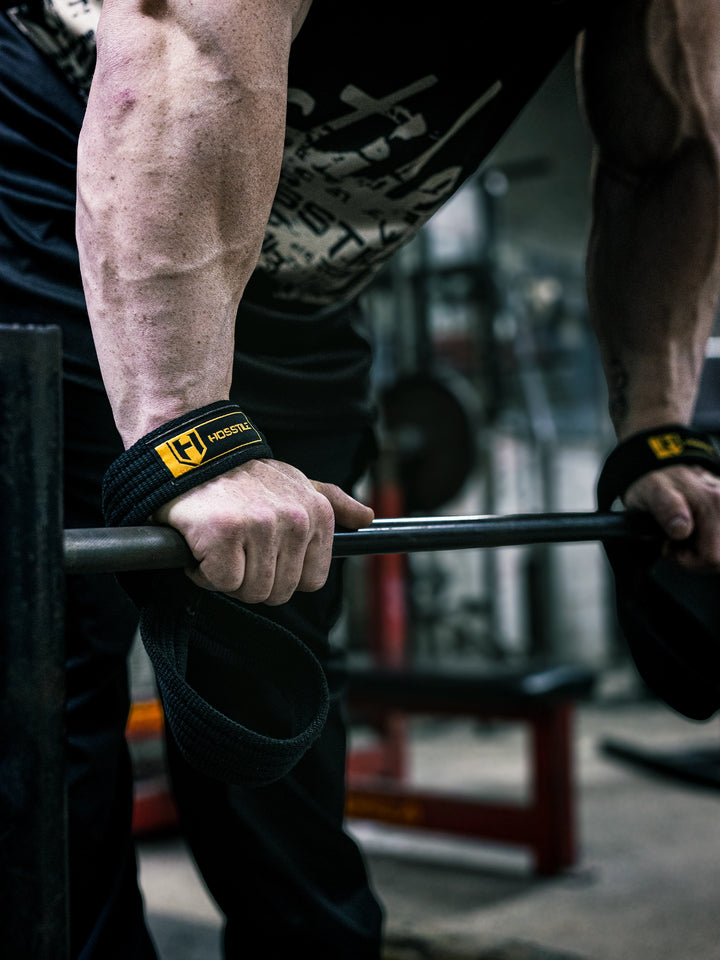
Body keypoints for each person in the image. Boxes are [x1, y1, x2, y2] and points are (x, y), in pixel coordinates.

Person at [2, 0, 720, 956]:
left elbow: (671, 150)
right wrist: (184, 435)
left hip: (298, 282)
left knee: (273, 655)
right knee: (45, 676)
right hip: (68, 156)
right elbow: (183, 46)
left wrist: (655, 435)